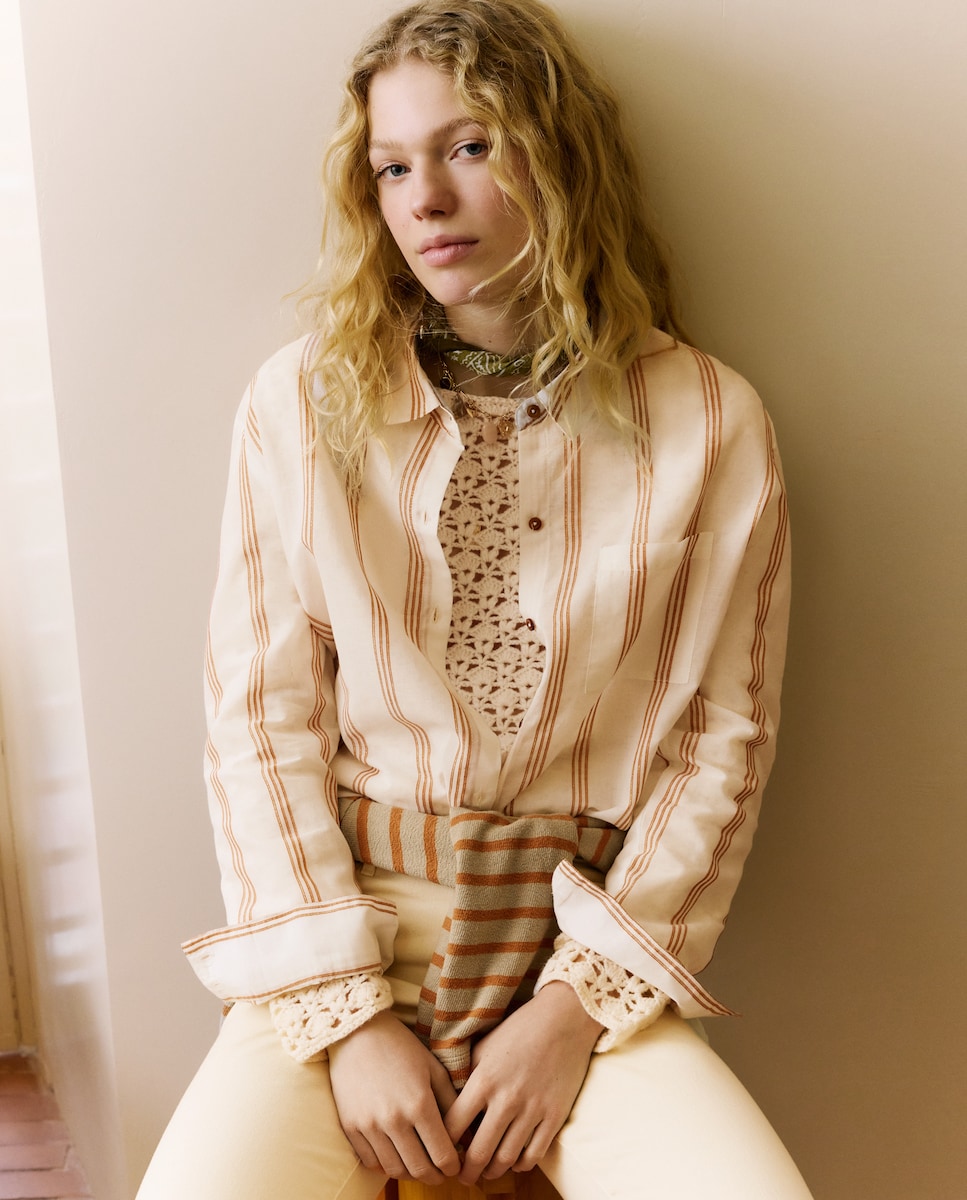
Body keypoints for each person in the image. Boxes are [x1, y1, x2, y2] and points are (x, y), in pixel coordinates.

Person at [137, 0, 813, 1196]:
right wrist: (348, 1020)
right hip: (355, 928)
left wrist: (570, 1013)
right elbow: (258, 721)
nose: (426, 201)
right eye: (392, 167)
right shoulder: (300, 405)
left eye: (468, 146)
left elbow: (722, 744)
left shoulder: (710, 418)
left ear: (558, 155)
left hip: (582, 942)